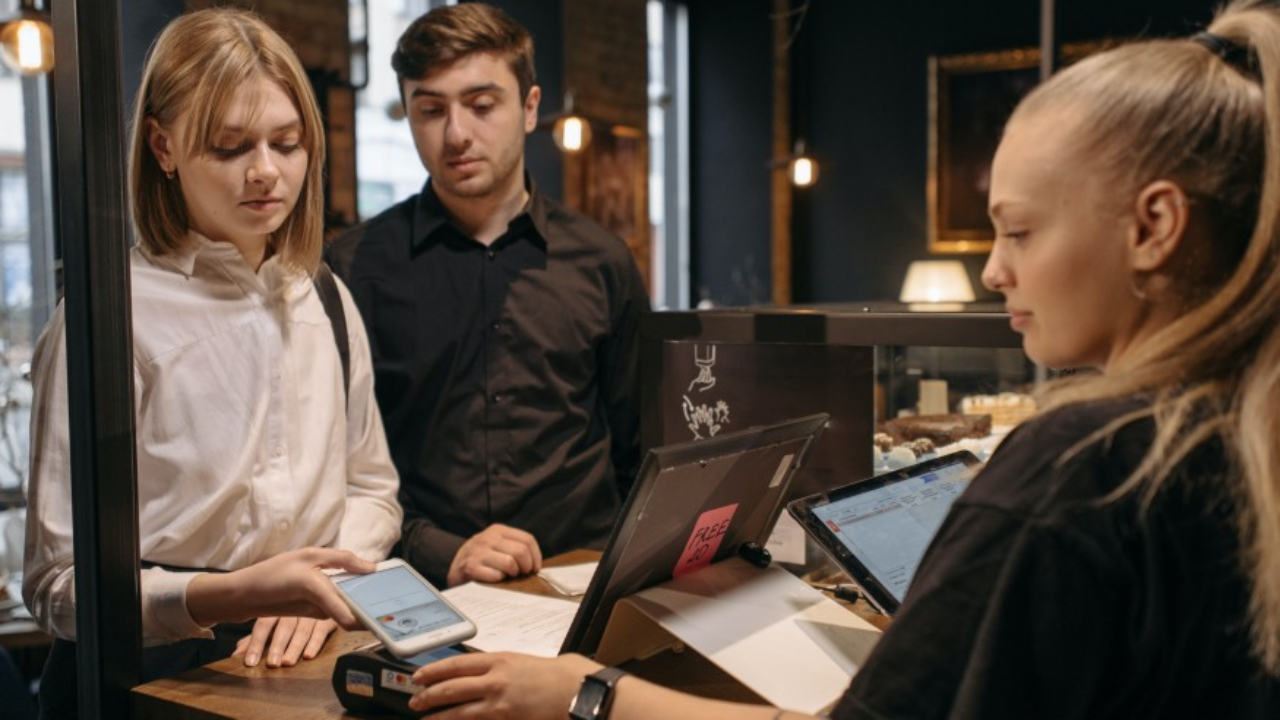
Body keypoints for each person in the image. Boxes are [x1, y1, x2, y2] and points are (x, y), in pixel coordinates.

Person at [402, 1, 1280, 718]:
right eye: (429, 106)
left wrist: (584, 694)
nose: (992, 267)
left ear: (1154, 227)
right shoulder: (1235, 428)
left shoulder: (1083, 468)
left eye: (1018, 230)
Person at [23, 7, 401, 716]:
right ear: (163, 148)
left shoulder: (323, 293)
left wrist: (325, 589)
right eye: (230, 148)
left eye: (287, 143)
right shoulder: (109, 317)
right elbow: (55, 587)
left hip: (307, 655)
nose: (266, 172)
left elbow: (373, 490)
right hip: (150, 674)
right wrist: (234, 593)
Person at [327, 3, 649, 588]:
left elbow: (639, 447)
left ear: (529, 108)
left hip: (585, 577)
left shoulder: (603, 261)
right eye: (430, 109)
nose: (456, 134)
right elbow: (335, 471)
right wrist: (437, 550)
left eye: (481, 106)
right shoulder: (352, 268)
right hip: (422, 586)